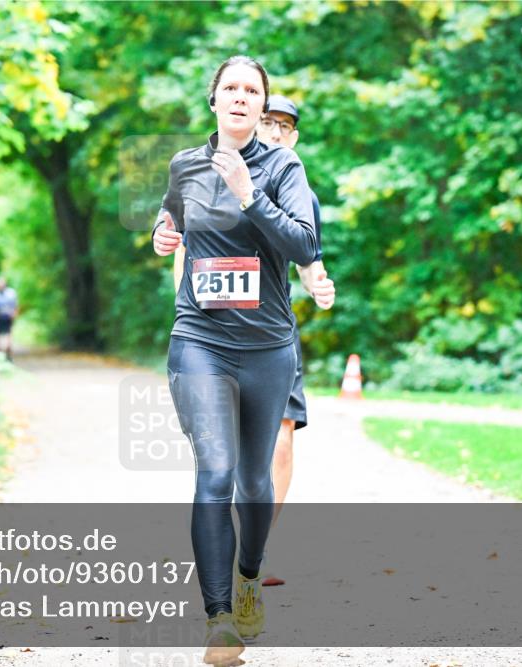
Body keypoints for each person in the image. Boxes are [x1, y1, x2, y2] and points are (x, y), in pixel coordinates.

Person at [152, 55, 319, 666]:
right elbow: (172, 216)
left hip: (267, 346)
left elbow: (305, 242)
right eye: (231, 88)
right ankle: (219, 619)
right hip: (200, 337)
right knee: (215, 473)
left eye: (252, 90)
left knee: (253, 481)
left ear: (261, 104)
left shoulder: (283, 167)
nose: (241, 97)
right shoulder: (186, 164)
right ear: (214, 100)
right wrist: (163, 234)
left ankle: (249, 575)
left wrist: (251, 197)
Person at [256, 95, 335, 587]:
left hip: (276, 327)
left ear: (295, 138)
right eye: (268, 121)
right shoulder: (219, 176)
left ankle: (257, 549)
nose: (276, 131)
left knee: (282, 440)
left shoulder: (302, 194)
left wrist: (318, 284)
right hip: (220, 329)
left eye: (285, 126)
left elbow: (309, 260)